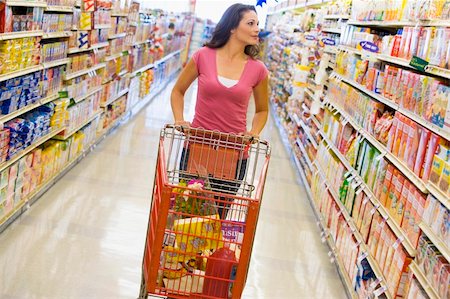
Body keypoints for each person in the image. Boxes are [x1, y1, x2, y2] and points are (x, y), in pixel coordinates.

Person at [170, 3, 269, 217]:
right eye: (250, 23)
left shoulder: (258, 69)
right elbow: (178, 91)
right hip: (197, 147)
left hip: (233, 154)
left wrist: (254, 133)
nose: (257, 29)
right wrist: (179, 119)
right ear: (232, 27)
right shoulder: (203, 56)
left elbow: (262, 110)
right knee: (186, 217)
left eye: (257, 24)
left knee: (216, 220)